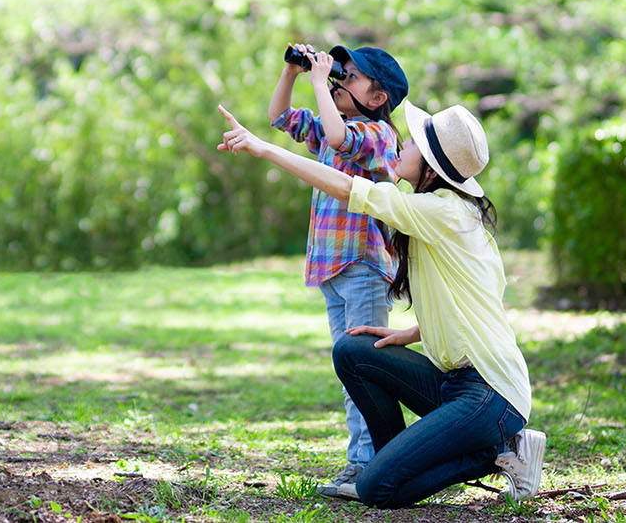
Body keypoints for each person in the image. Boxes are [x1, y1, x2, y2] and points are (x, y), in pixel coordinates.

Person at [217, 102, 545, 508]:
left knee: (377, 490)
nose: (401, 144)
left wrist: (264, 148)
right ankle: (391, 459)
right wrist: (410, 333)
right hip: (456, 383)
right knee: (354, 351)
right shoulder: (442, 214)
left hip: (490, 395)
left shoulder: (442, 211)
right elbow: (476, 299)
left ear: (430, 165)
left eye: (411, 143)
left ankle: (499, 454)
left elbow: (344, 187)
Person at [265, 43, 409, 490]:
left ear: (378, 96)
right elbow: (279, 117)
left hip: (362, 266)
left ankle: (368, 463)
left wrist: (318, 82)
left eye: (351, 76)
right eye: (339, 72)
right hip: (331, 271)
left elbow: (336, 140)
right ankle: (364, 460)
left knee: (364, 369)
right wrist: (292, 73)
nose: (339, 78)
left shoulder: (378, 136)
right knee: (349, 373)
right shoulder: (339, 122)